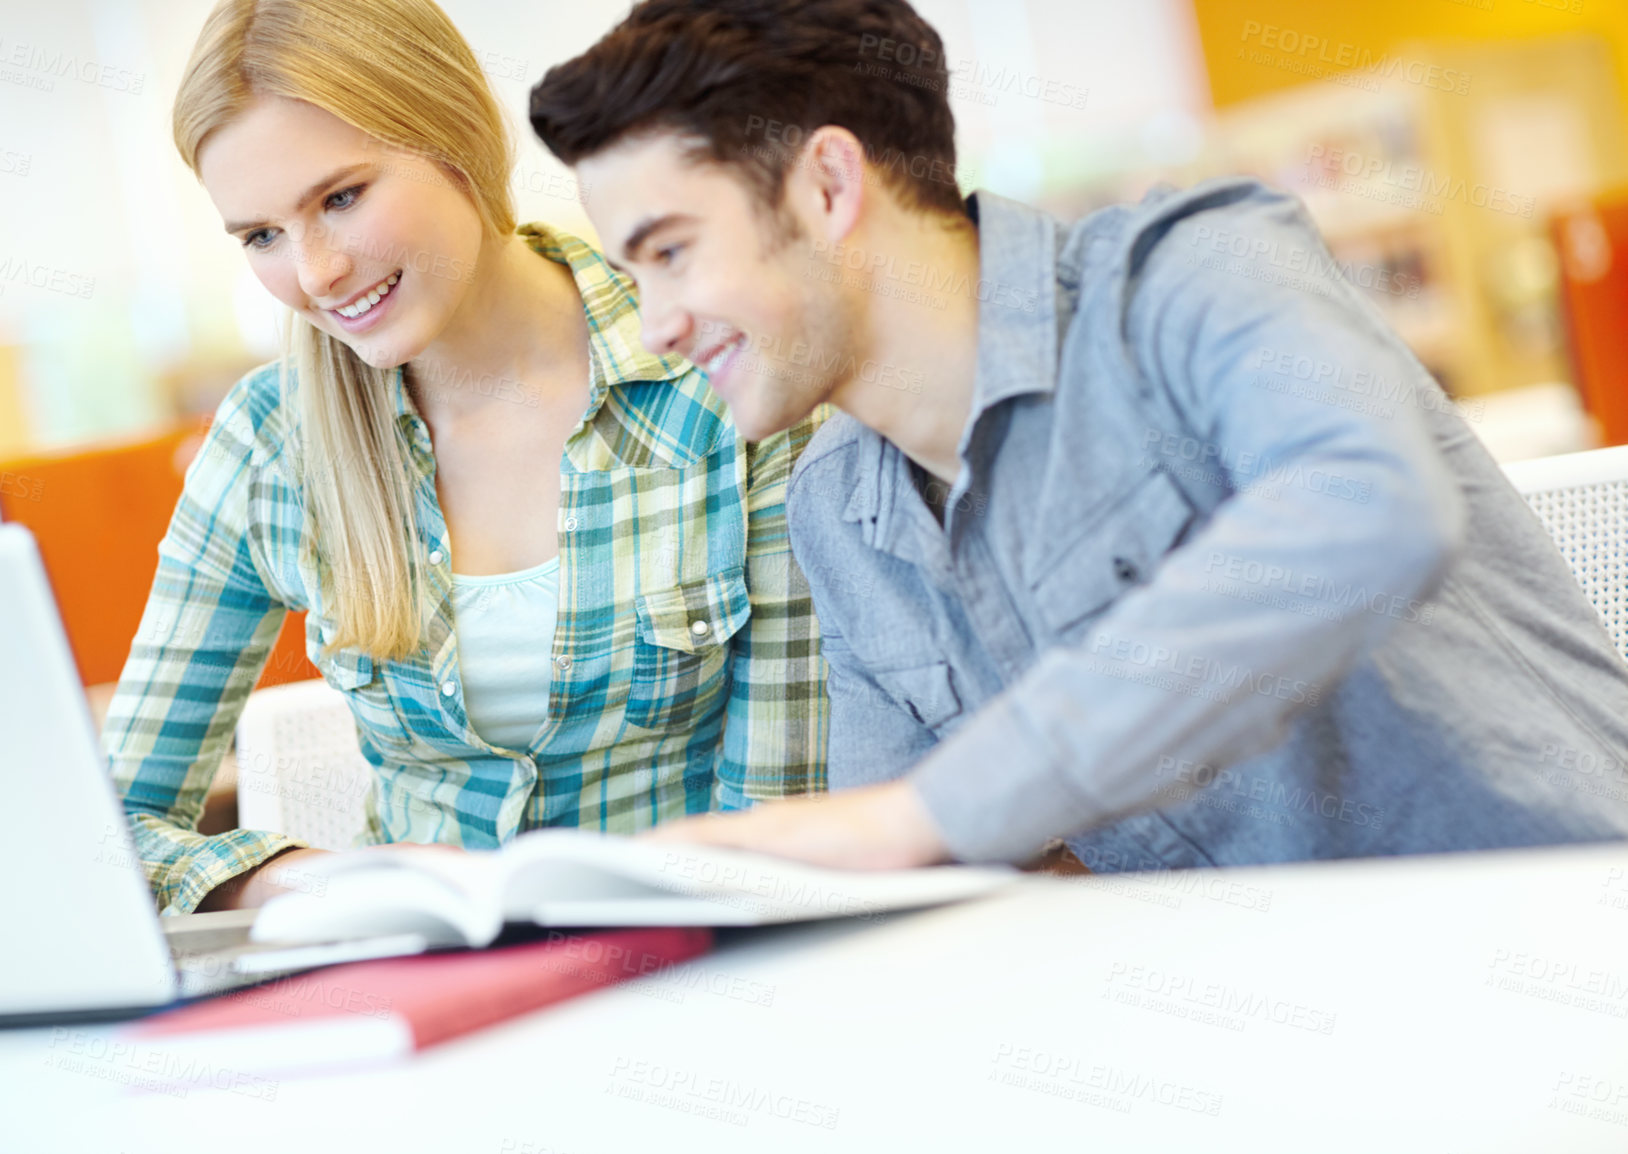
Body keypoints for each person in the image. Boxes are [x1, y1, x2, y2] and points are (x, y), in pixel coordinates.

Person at [527, 0, 1628, 871]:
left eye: (669, 251)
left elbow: (1368, 509)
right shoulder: (836, 505)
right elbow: (917, 860)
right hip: (1258, 1026)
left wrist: (927, 814)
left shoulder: (1194, 273)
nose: (657, 327)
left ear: (825, 183)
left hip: (1551, 945)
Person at [104, 0, 829, 917]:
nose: (316, 273)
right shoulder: (267, 442)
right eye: (261, 236)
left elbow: (783, 818)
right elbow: (112, 828)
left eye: (341, 197)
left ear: (459, 140)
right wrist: (312, 878)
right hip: (413, 986)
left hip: (700, 965)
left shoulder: (713, 371)